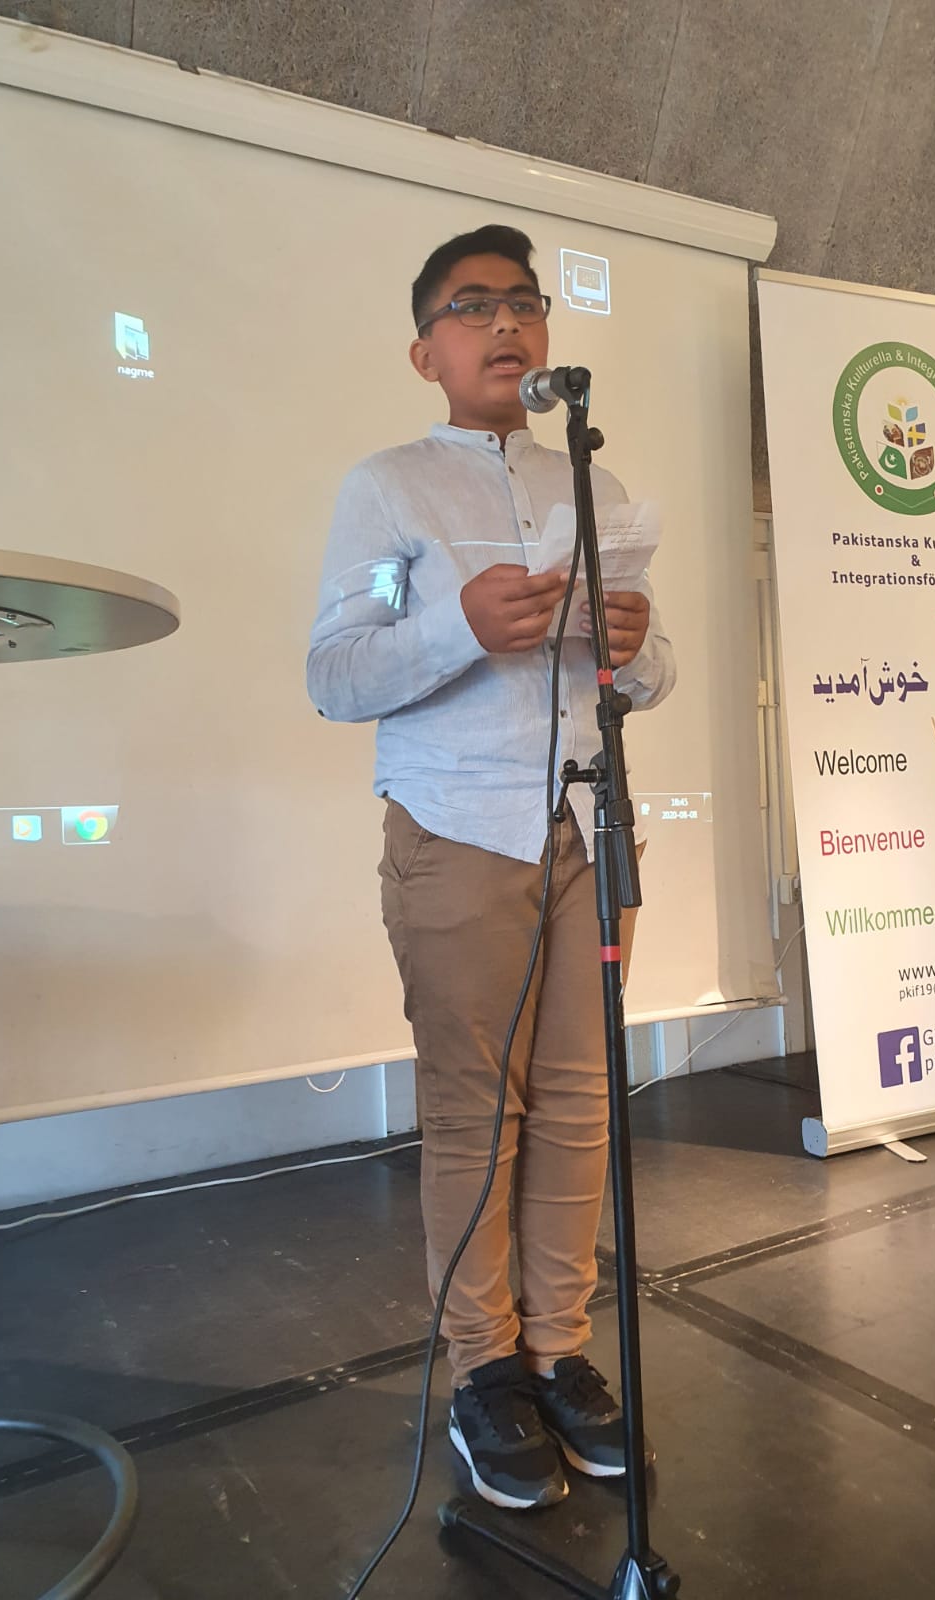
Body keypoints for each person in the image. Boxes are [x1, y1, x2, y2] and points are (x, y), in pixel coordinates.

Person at [307, 224, 675, 1512]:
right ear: (427, 352)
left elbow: (653, 673)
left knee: (580, 1103)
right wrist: (458, 629)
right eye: (473, 306)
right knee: (478, 1112)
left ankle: (559, 1352)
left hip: (585, 827)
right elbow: (335, 674)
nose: (506, 323)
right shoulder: (390, 489)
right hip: (459, 828)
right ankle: (484, 1371)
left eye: (524, 303)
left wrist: (633, 641)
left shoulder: (597, 488)